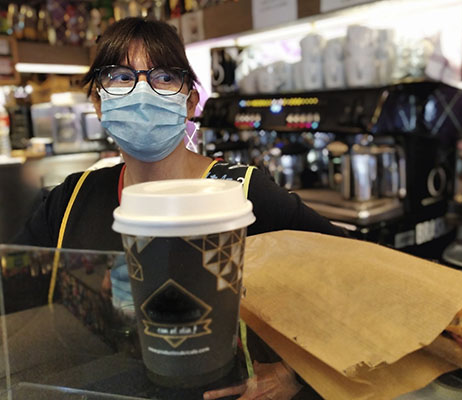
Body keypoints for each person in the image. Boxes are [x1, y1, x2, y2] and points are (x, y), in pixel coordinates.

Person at [13, 17, 346, 400]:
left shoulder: (244, 192)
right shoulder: (72, 198)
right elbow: (17, 298)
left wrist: (295, 374)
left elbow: (354, 275)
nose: (141, 91)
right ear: (98, 103)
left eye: (164, 77)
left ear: (189, 102)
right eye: (120, 76)